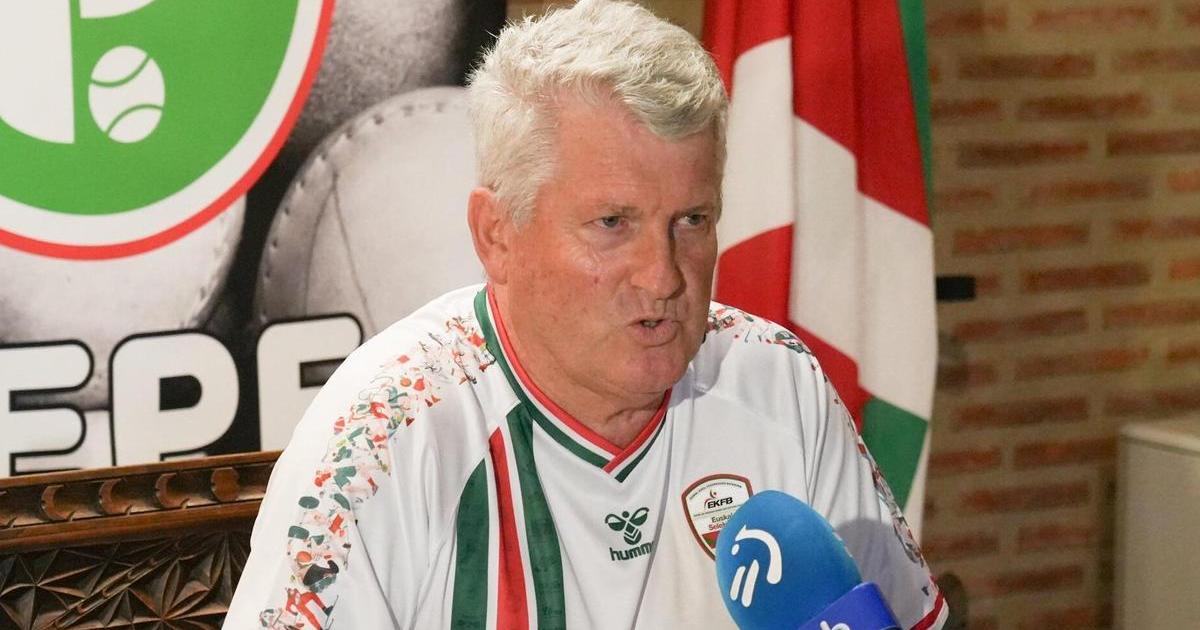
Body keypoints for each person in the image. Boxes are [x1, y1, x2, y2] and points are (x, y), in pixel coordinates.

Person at [225, 1, 947, 628]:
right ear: (497, 235)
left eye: (692, 220)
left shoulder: (778, 382)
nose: (663, 275)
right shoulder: (382, 435)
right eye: (612, 223)